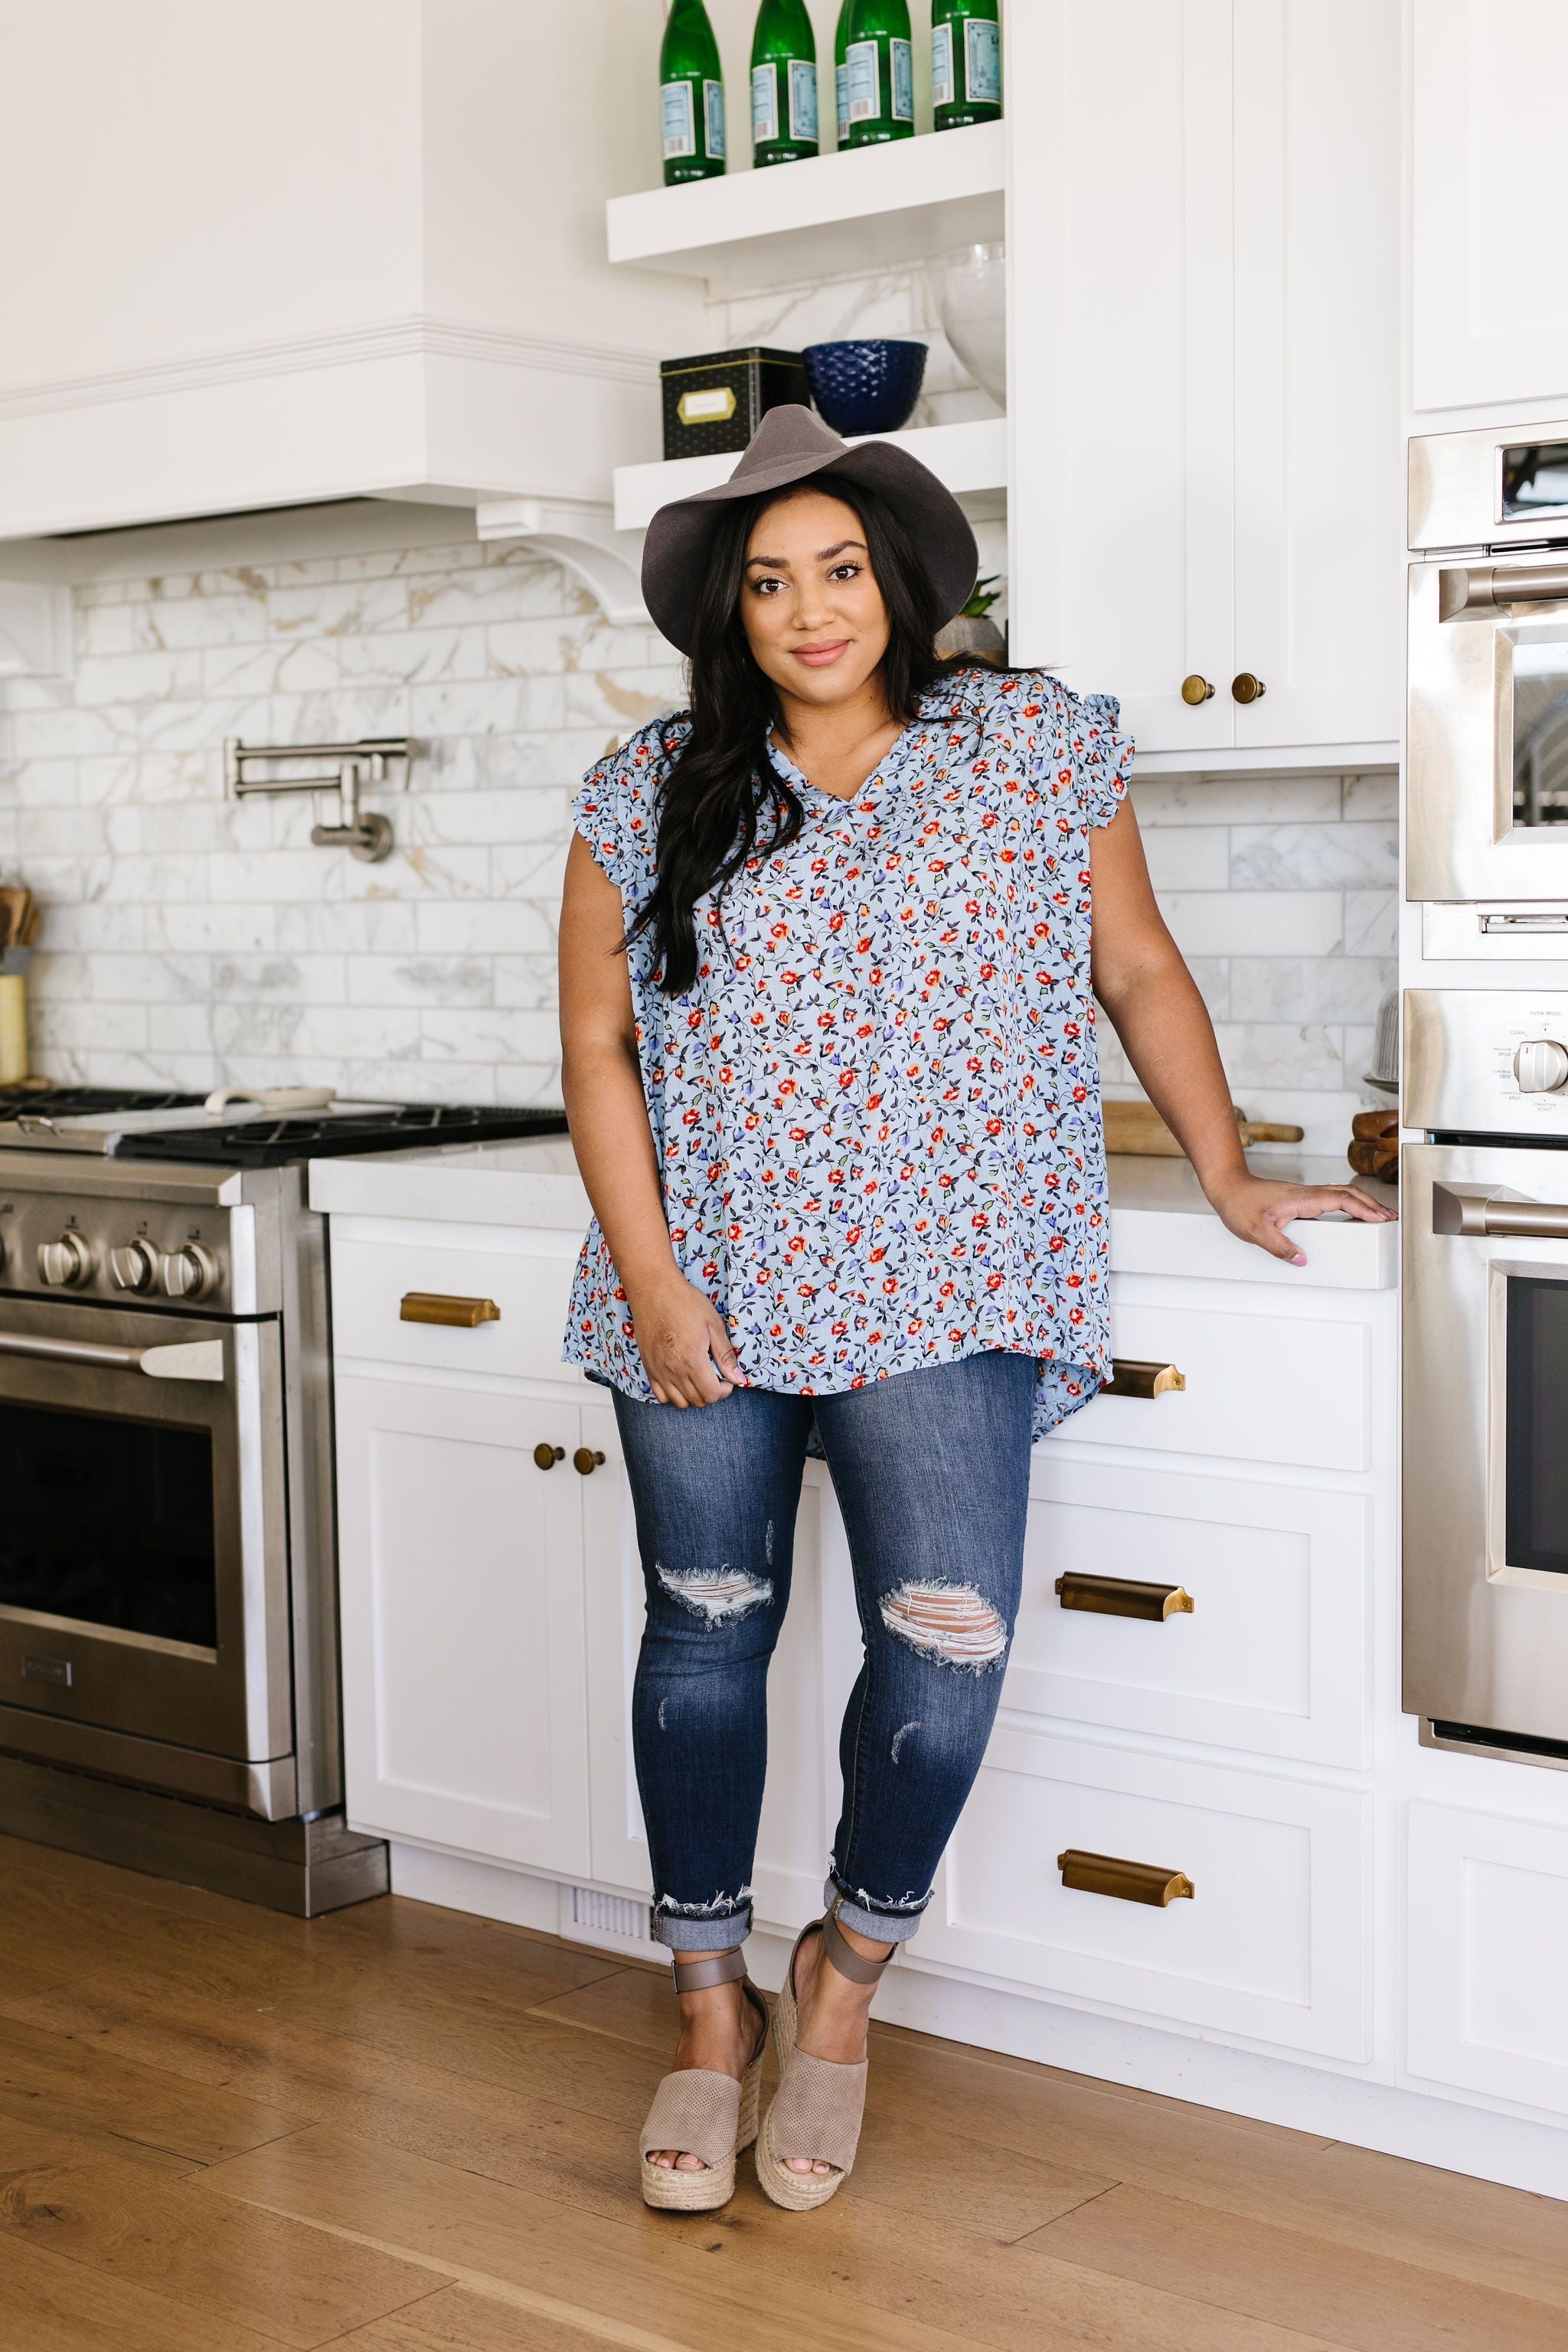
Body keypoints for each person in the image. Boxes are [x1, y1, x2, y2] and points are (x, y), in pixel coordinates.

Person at [557, 406, 1393, 2214]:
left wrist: (1232, 1175)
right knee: (704, 1636)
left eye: (838, 569)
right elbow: (600, 1046)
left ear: (900, 580)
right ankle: (706, 2011)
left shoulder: (1029, 746)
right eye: (768, 582)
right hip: (698, 1285)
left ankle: (838, 1985)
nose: (809, 609)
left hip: (946, 1279)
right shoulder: (647, 785)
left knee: (939, 1661)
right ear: (730, 611)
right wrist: (648, 1274)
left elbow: (1137, 969)